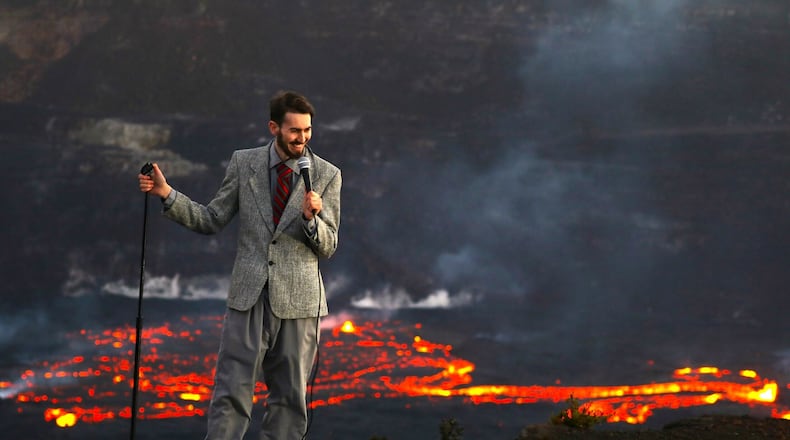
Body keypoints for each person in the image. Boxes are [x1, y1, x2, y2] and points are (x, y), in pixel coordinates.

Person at [138, 90, 341, 440]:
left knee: (289, 400)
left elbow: (329, 246)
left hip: (300, 303)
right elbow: (212, 218)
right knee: (231, 392)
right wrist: (167, 194)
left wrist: (311, 220)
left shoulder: (326, 174)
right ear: (274, 128)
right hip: (249, 297)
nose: (303, 138)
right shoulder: (243, 163)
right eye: (295, 131)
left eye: (308, 130)